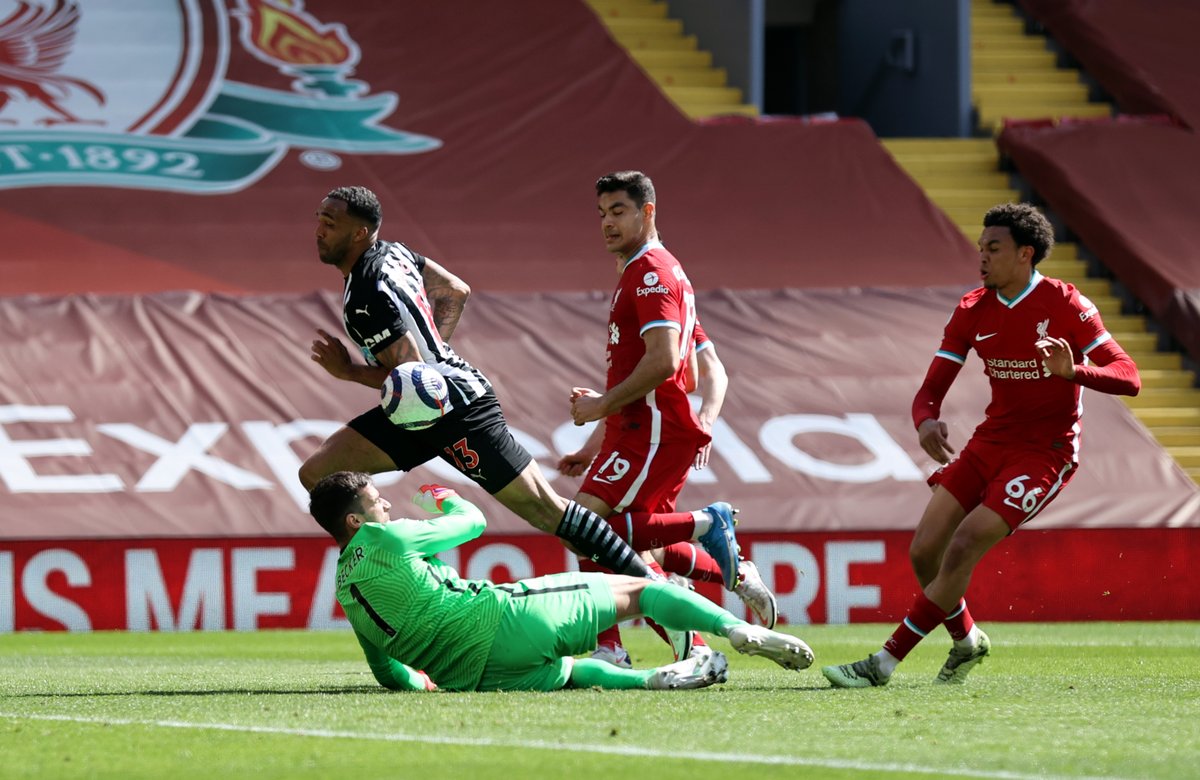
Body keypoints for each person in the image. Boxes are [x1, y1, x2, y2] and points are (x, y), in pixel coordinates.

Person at [822, 202, 1141, 688]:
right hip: (988, 444)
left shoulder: (1066, 304)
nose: (983, 258)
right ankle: (967, 641)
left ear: (1025, 254)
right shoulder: (973, 309)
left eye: (993, 249)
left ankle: (883, 664)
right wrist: (927, 421)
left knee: (965, 542)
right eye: (981, 249)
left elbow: (1128, 376)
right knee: (924, 552)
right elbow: (929, 391)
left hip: (1045, 452)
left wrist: (1073, 371)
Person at [301, 185, 657, 582]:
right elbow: (455, 291)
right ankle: (386, 579)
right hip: (422, 412)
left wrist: (348, 371)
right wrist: (434, 349)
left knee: (549, 512)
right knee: (319, 474)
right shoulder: (394, 252)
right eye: (319, 219)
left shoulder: (366, 296)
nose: (318, 230)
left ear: (358, 234)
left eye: (330, 223)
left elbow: (414, 379)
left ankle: (661, 590)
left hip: (457, 411)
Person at [308, 471, 814, 692]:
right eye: (376, 501)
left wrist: (424, 680)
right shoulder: (387, 539)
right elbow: (474, 522)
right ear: (355, 522)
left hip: (473, 677)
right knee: (641, 590)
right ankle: (737, 631)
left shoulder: (343, 591)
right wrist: (443, 497)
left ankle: (652, 680)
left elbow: (386, 672)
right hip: (500, 620)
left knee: (573, 672)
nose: (387, 505)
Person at [562, 171, 774, 668]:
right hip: (642, 430)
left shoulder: (652, 273)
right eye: (601, 214)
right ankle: (723, 590)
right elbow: (706, 366)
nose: (607, 224)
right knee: (642, 548)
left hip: (649, 432)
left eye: (618, 211)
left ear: (648, 212)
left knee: (587, 527)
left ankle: (707, 528)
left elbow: (662, 363)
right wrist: (597, 438)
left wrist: (601, 406)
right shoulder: (658, 273)